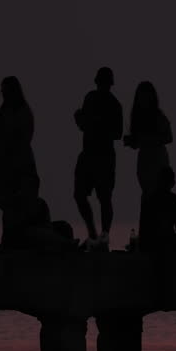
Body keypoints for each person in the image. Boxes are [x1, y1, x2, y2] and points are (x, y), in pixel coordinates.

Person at [73, 67, 123, 250]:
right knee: (80, 195)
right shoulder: (90, 98)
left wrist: (96, 125)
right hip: (88, 154)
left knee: (104, 197)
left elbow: (117, 133)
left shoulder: (114, 104)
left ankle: (103, 236)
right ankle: (94, 233)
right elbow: (84, 124)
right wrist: (82, 120)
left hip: (104, 156)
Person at [0, 76, 41, 248]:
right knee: (8, 204)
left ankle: (11, 241)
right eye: (2, 91)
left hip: (18, 166)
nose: (3, 95)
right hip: (3, 166)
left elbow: (20, 138)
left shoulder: (22, 112)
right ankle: (9, 241)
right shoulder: (6, 110)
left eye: (6, 91)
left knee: (16, 205)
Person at [124, 81, 173, 201]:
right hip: (144, 161)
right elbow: (137, 144)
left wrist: (147, 140)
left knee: (158, 194)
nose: (144, 99)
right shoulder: (137, 117)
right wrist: (132, 142)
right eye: (141, 96)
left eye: (146, 95)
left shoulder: (158, 115)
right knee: (148, 194)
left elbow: (169, 137)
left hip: (158, 159)